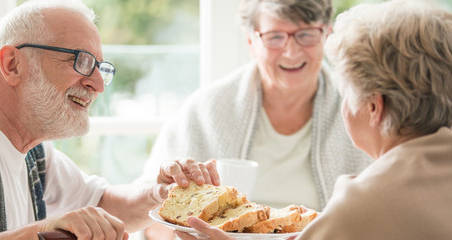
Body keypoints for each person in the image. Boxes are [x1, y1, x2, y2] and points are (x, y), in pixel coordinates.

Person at [0, 0, 220, 239]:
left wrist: (162, 193)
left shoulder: (28, 147)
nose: (97, 84)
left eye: (100, 68)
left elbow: (103, 206)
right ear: (12, 64)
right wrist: (42, 231)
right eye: (81, 61)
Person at [176, 0, 452, 239]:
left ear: (373, 107)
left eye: (346, 92)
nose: (292, 52)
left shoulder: (360, 207)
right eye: (276, 37)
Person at [137, 0, 371, 238]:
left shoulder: (361, 111)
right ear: (251, 42)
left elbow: (377, 216)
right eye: (275, 37)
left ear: (326, 36)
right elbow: (150, 222)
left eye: (306, 34)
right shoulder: (206, 110)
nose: (291, 52)